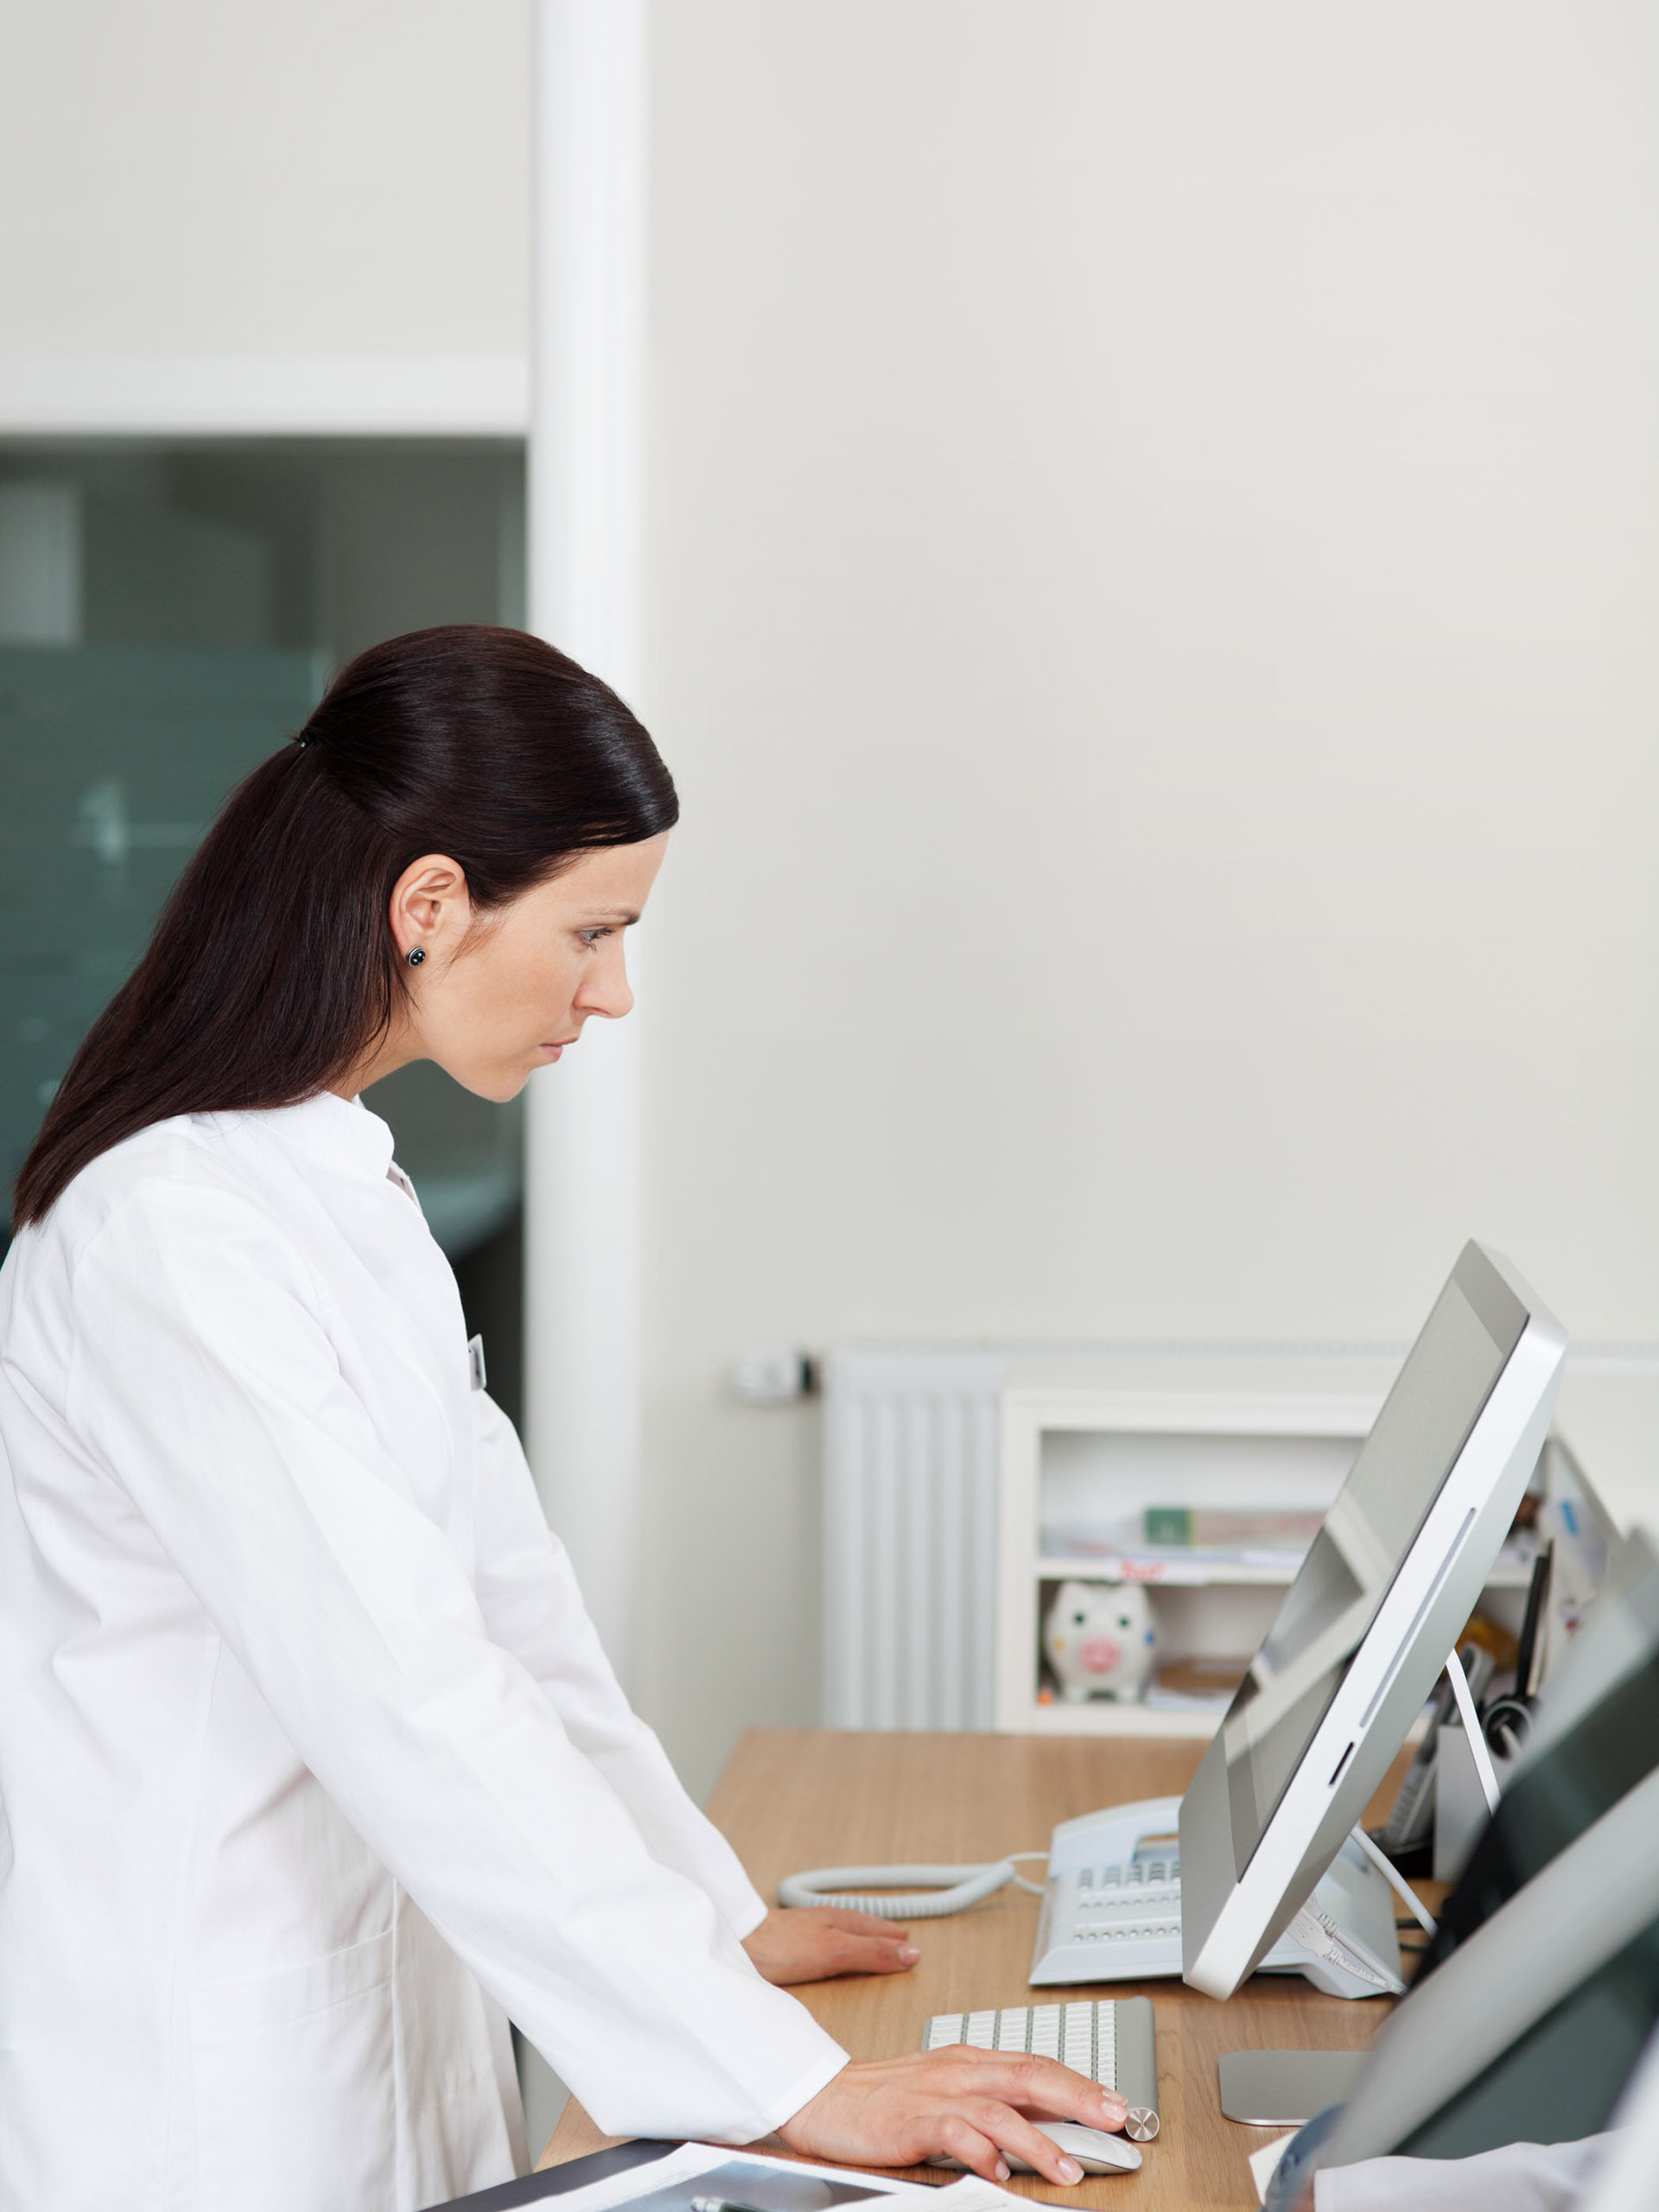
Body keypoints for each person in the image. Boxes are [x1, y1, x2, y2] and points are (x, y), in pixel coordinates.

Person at [0, 627, 1127, 2212]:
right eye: (594, 931)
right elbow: (410, 1689)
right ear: (431, 905)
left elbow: (516, 1624)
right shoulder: (168, 1238)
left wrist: (707, 1909)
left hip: (374, 2029)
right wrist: (789, 2084)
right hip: (207, 2092)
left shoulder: (344, 1192)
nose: (612, 993)